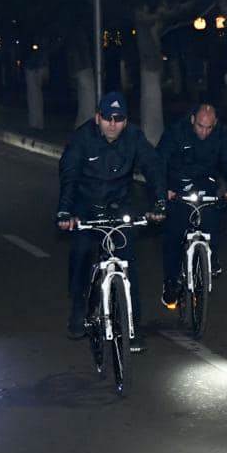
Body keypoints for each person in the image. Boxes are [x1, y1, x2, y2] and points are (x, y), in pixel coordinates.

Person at [56, 91, 166, 351]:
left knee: (128, 263)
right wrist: (65, 211)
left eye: (118, 119)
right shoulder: (82, 138)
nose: (113, 124)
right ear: (98, 118)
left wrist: (160, 201)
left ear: (125, 121)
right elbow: (69, 174)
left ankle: (132, 327)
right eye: (107, 118)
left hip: (119, 205)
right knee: (81, 253)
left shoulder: (134, 137)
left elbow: (153, 166)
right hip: (86, 206)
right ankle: (78, 310)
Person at [156, 103, 227, 308]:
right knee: (173, 235)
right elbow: (160, 160)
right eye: (200, 126)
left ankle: (211, 258)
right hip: (178, 188)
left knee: (213, 220)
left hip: (206, 186)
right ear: (193, 119)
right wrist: (163, 189)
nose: (204, 132)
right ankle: (170, 282)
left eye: (209, 127)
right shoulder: (176, 132)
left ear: (215, 123)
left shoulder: (221, 135)